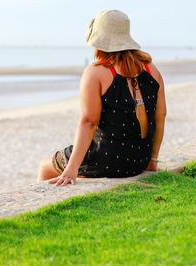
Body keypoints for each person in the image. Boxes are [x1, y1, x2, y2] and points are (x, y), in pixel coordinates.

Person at [37, 9, 166, 186]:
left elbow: (89, 122)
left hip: (106, 161)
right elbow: (161, 116)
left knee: (45, 166)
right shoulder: (151, 68)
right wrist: (153, 159)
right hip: (140, 160)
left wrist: (72, 168)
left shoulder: (96, 72)